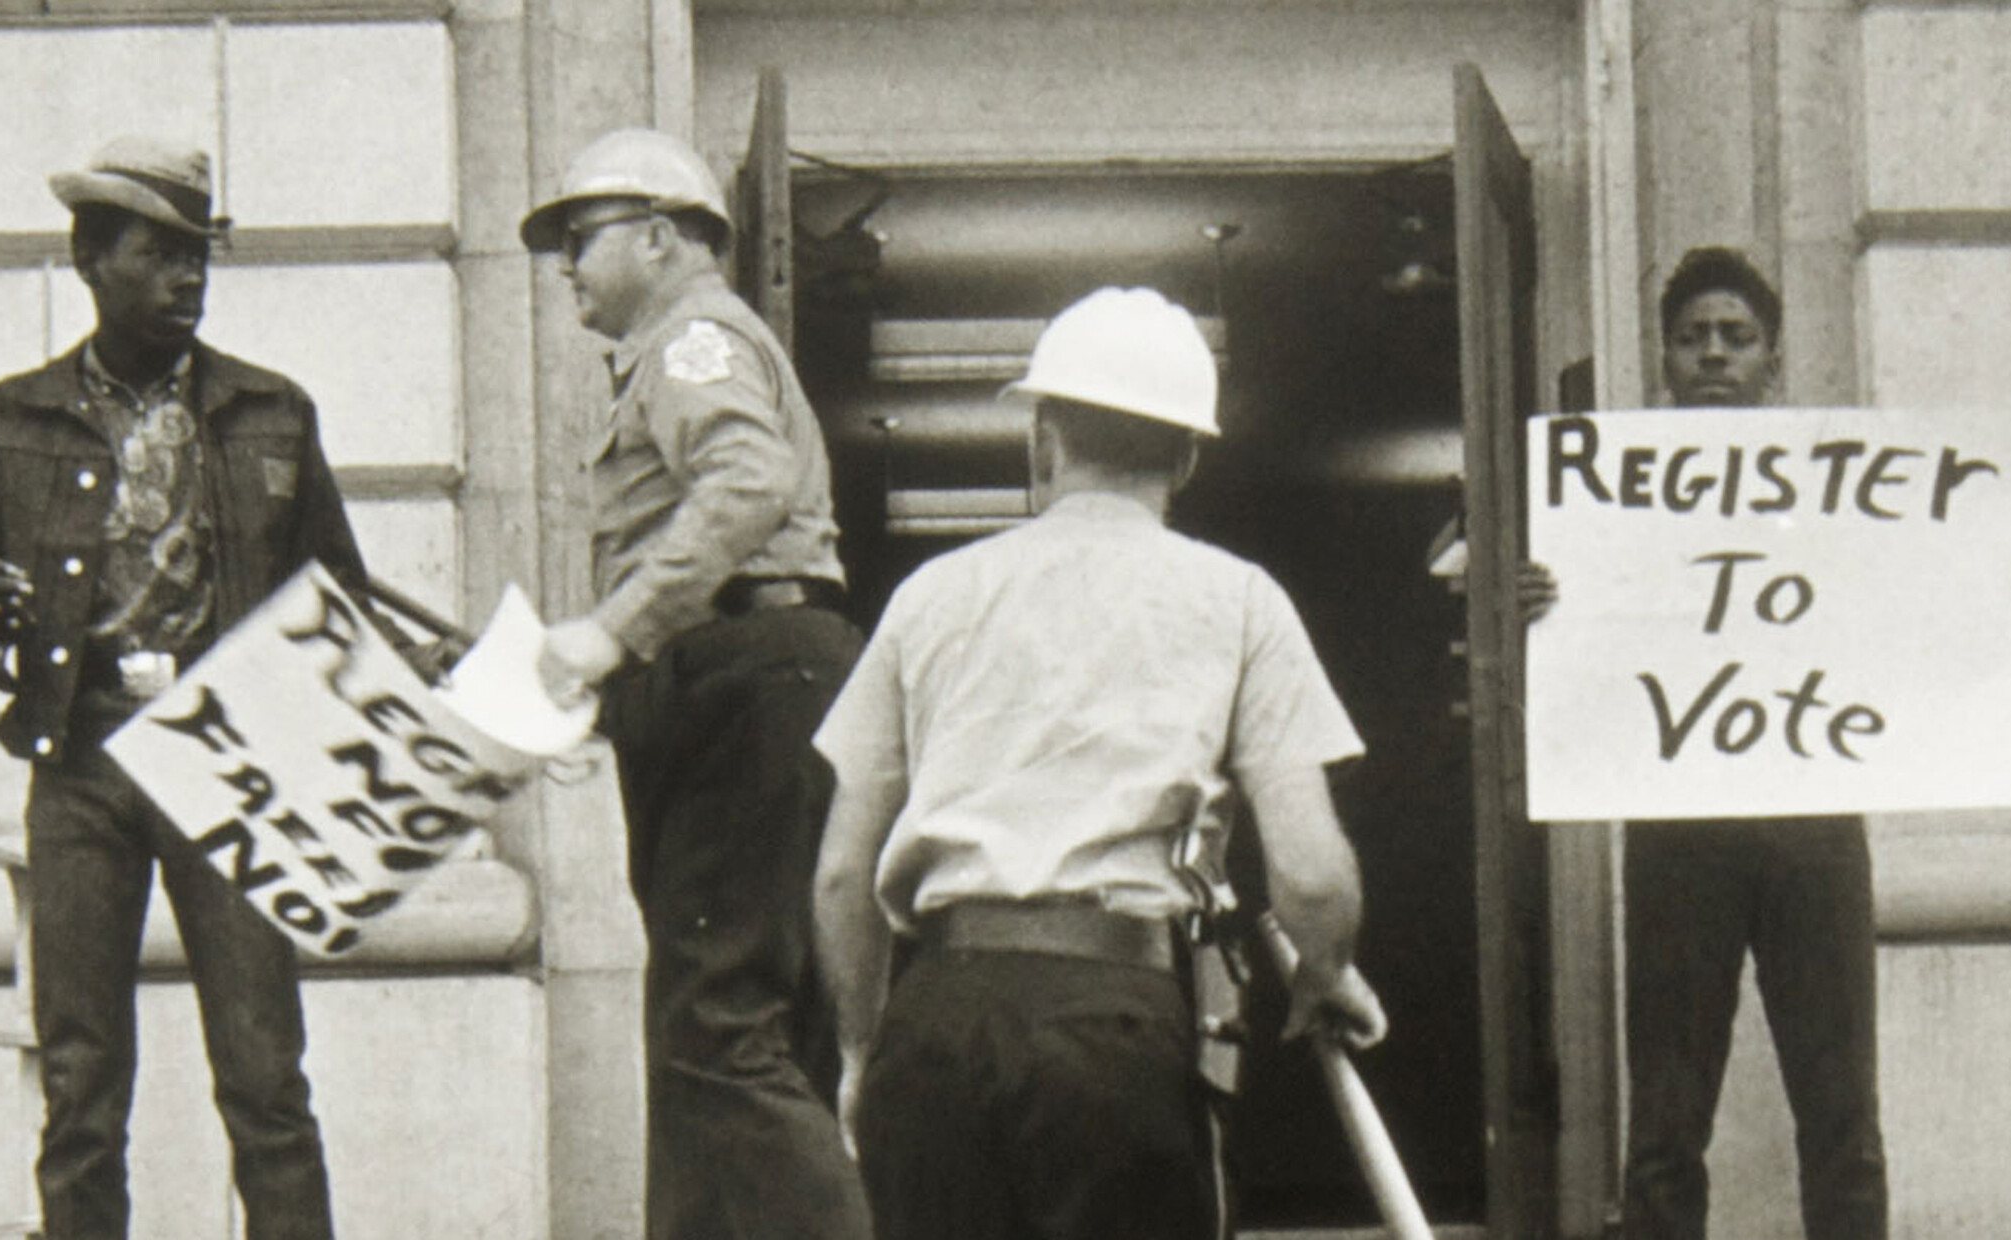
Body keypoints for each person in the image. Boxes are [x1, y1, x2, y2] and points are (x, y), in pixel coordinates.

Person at [810, 286, 1389, 1240]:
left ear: (1042, 439)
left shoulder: (930, 597)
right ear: (1189, 458)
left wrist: (864, 1051)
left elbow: (842, 874)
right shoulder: (1240, 602)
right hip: (1114, 1030)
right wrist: (1325, 975)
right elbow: (1314, 880)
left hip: (938, 1026)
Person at [0, 135, 366, 1240]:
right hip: (79, 761)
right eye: (159, 253)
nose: (189, 277)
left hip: (228, 761)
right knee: (80, 1082)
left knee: (266, 1078)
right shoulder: (11, 416)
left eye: (199, 254)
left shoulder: (272, 409)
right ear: (90, 259)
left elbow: (338, 596)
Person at [516, 128, 870, 1240]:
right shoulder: (682, 347)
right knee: (721, 1028)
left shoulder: (693, 341)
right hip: (746, 671)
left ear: (661, 238)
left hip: (739, 673)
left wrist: (612, 630)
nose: (566, 265)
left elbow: (747, 478)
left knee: (715, 1023)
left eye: (582, 238)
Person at [1523, 246, 1887, 1240]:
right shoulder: (1608, 497)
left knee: (1842, 1116)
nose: (1713, 354)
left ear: (1772, 356)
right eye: (1691, 338)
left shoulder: (1842, 490)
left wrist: (1995, 602)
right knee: (1665, 1124)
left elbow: (1915, 602)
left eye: (1734, 336)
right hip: (1679, 831)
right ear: (1663, 362)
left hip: (1812, 827)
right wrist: (1540, 602)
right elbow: (1570, 642)